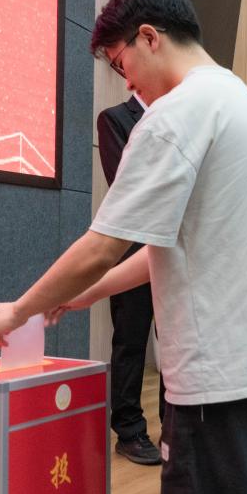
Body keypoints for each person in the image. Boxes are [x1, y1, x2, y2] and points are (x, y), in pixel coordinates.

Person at [0, 0, 247, 494]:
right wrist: (84, 294)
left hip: (224, 387)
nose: (129, 83)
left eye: (122, 64)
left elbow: (102, 246)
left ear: (148, 37)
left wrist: (18, 311)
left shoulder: (173, 115)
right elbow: (169, 247)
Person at [97, 94, 166, 466]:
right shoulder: (115, 118)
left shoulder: (176, 113)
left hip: (174, 249)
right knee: (130, 342)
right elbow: (126, 185)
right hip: (133, 248)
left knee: (175, 340)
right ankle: (129, 431)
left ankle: (175, 427)